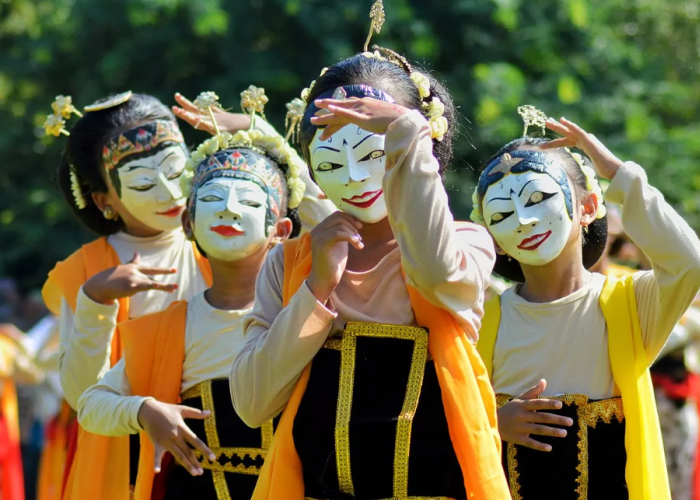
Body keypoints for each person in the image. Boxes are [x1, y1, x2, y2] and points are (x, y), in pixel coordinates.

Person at [230, 5, 510, 499]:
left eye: (375, 155)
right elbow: (252, 402)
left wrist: (407, 134)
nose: (355, 178)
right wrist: (317, 287)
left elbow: (434, 270)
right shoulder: (290, 260)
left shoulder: (468, 243)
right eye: (333, 160)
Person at [77, 88, 307, 500]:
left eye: (250, 201)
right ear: (188, 222)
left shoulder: (306, 309)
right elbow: (91, 404)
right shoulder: (172, 326)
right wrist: (144, 410)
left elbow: (339, 216)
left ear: (282, 230)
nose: (229, 210)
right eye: (213, 199)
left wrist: (265, 133)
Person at [472, 109, 700, 500]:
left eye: (538, 198)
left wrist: (620, 174)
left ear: (589, 206)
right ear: (492, 237)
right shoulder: (482, 317)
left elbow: (688, 263)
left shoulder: (628, 304)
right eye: (503, 213)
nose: (523, 220)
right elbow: (446, 421)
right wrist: (492, 424)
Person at [41, 92, 215, 500]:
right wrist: (96, 301)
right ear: (105, 201)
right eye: (142, 182)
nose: (170, 192)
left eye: (177, 169)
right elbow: (81, 395)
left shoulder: (223, 237)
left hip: (221, 444)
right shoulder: (83, 271)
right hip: (124, 461)